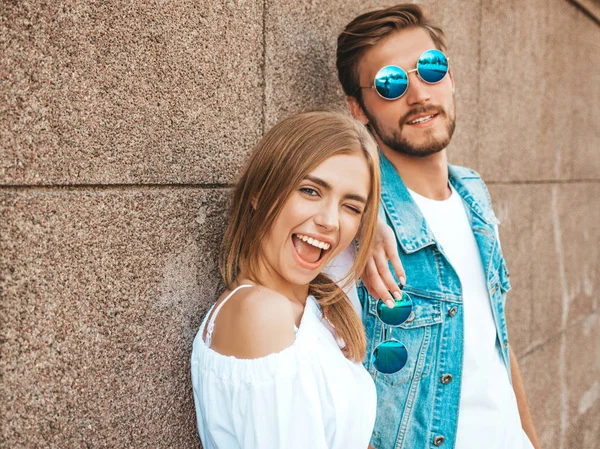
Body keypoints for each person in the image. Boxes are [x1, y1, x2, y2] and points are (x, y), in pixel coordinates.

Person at [335, 4, 542, 449]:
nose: (418, 95)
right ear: (358, 108)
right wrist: (362, 216)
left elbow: (497, 343)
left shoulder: (474, 194)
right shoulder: (354, 219)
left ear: (450, 78)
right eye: (390, 83)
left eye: (430, 69)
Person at [190, 111, 382, 449]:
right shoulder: (261, 313)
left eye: (351, 207)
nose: (330, 221)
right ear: (259, 192)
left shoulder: (315, 309)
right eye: (310, 191)